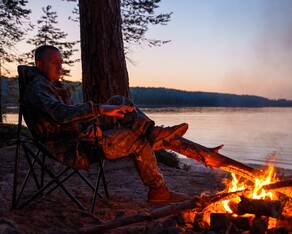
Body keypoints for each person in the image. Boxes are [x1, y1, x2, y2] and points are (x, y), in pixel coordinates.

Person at [21, 45, 189, 204]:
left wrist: (90, 124)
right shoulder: (38, 87)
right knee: (137, 139)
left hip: (79, 134)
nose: (60, 67)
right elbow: (60, 114)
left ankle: (151, 131)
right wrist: (99, 109)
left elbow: (68, 117)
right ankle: (158, 191)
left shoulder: (49, 85)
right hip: (71, 146)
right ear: (39, 64)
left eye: (61, 63)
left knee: (118, 101)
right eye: (55, 63)